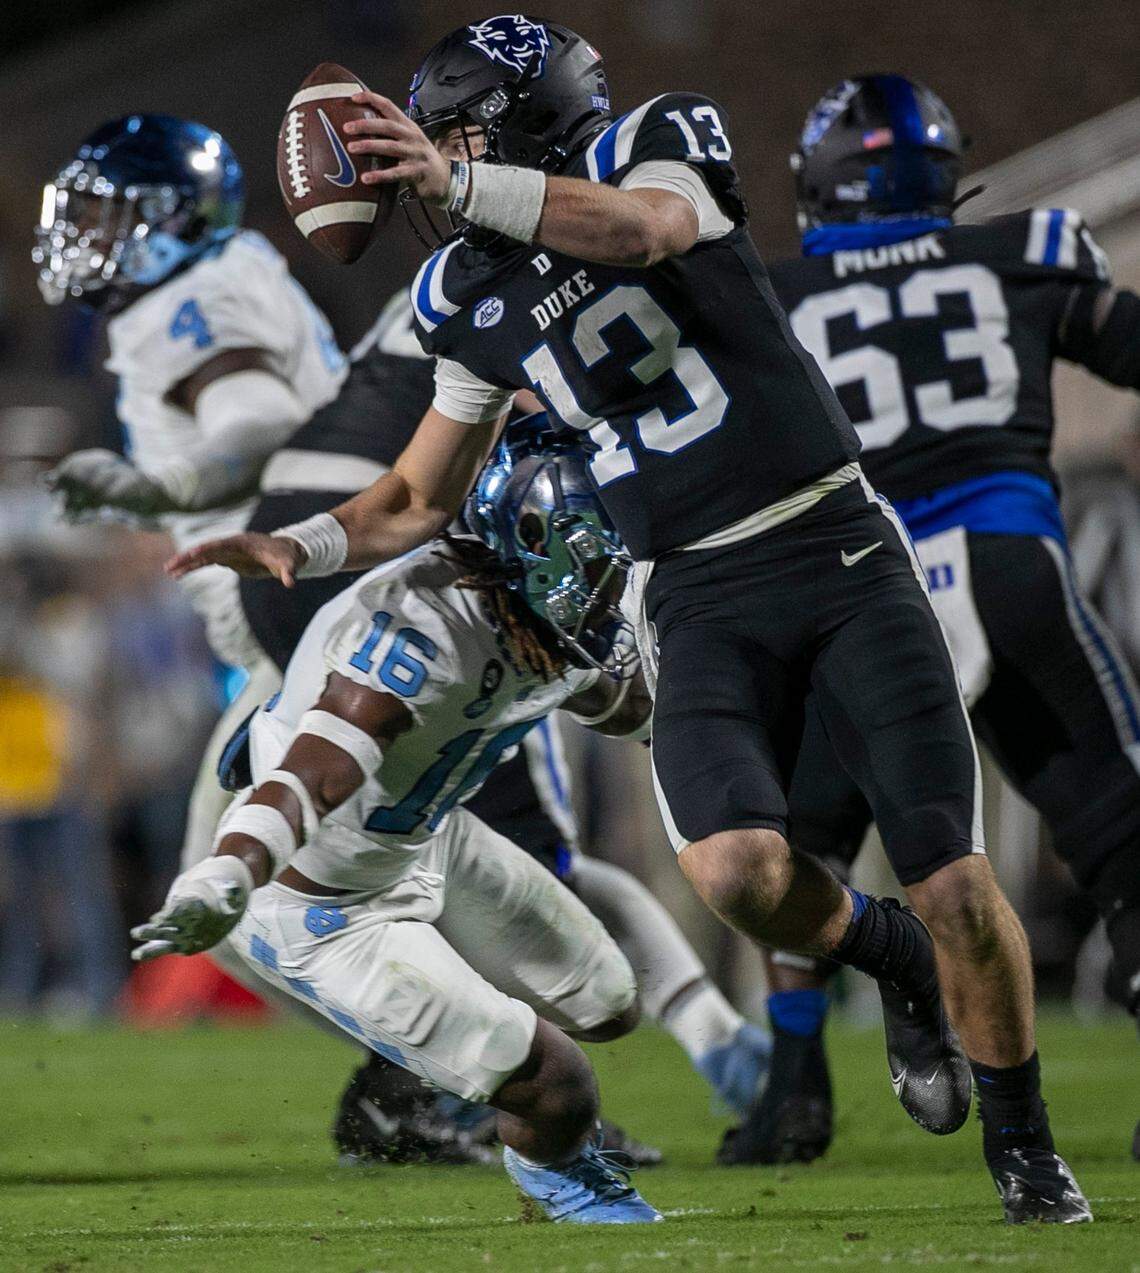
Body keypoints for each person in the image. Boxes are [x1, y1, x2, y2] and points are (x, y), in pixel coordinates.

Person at [169, 17, 1089, 1222]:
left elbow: (647, 231)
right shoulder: (461, 287)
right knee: (740, 874)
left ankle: (1025, 1147)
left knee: (959, 883)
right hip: (692, 586)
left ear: (520, 116)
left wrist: (461, 179)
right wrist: (300, 543)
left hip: (836, 544)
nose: (433, 166)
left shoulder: (655, 138)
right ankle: (889, 956)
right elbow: (416, 492)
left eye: (454, 135)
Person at [711, 74, 1140, 1168]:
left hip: (863, 589)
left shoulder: (777, 290)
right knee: (1118, 829)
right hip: (1008, 566)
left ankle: (796, 1088)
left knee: (803, 846)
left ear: (822, 191)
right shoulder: (1023, 251)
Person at [242, 296, 771, 1162]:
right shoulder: (529, 272)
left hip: (314, 537)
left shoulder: (466, 269)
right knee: (509, 848)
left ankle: (413, 1071)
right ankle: (439, 1084)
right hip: (409, 541)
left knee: (379, 816)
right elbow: (530, 435)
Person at [134, 437, 662, 1224]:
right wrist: (228, 874)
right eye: (595, 568)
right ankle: (557, 1178)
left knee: (611, 1001)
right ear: (530, 559)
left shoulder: (534, 604)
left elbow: (619, 700)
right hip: (322, 906)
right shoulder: (412, 641)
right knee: (562, 1088)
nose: (608, 587)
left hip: (427, 840)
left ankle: (481, 1079)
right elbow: (306, 782)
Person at [35, 113, 346, 884]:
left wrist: (153, 489)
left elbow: (258, 422)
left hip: (304, 625)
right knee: (234, 889)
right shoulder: (230, 268)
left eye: (108, 217)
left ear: (167, 219)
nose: (89, 238)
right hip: (312, 614)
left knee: (266, 895)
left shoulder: (185, 302)